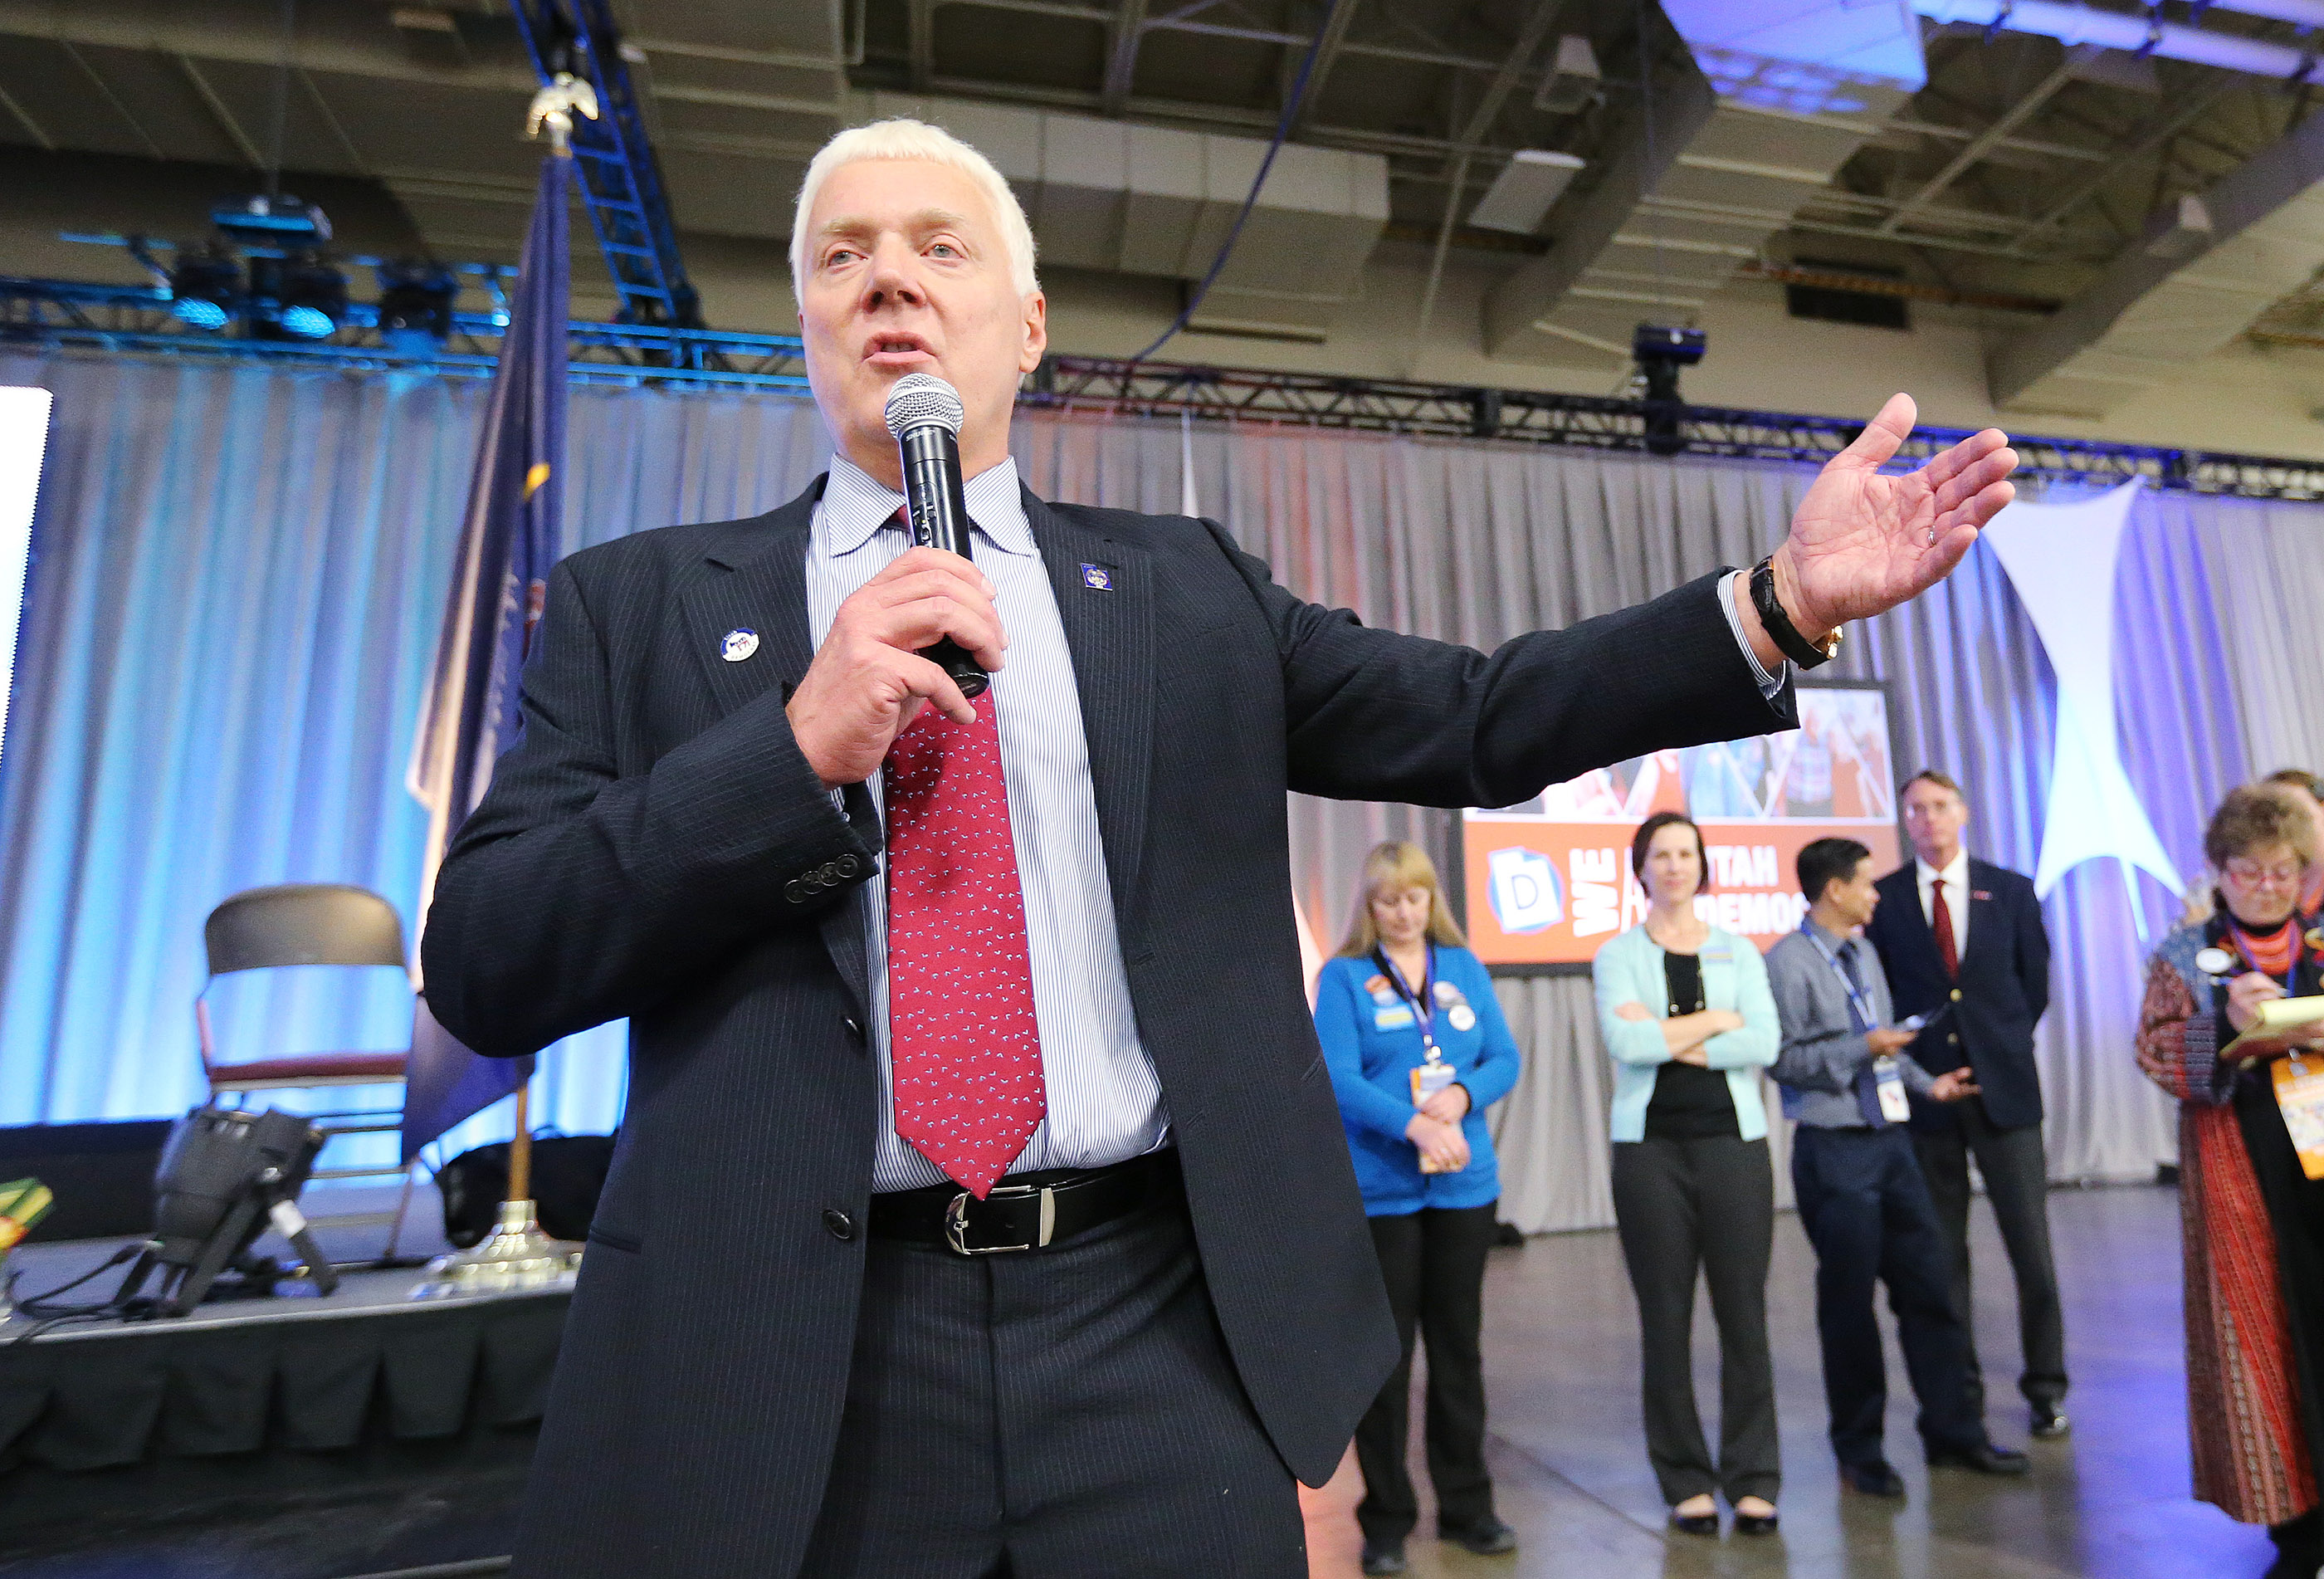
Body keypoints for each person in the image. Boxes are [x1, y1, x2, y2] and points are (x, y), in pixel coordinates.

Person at [420, 110, 2021, 1578]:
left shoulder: (1185, 590)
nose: (888, 277)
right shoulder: (642, 605)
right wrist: (788, 751)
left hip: (1151, 1335)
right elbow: (489, 960)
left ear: (1026, 326)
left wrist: (1777, 605)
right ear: (807, 328)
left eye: (938, 245)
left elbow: (1478, 716)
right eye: (844, 255)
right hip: (798, 1357)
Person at [1765, 838, 2030, 1498]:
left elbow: (1887, 1042)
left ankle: (1955, 1432)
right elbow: (1784, 1060)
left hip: (1892, 1141)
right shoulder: (1788, 962)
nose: (1875, 895)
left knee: (1931, 1289)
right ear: (1834, 890)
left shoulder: (1864, 954)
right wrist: (1862, 1047)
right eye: (1865, 883)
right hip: (1835, 1149)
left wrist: (1926, 1083)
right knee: (1850, 1308)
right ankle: (1861, 1451)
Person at [1315, 842, 1522, 1576]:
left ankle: (1468, 1507)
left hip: (1464, 1189)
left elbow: (1504, 1058)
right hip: (1385, 1194)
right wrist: (1414, 1126)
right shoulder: (1344, 978)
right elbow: (1337, 1078)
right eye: (1389, 900)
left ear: (1432, 900)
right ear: (1369, 907)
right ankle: (1386, 1520)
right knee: (1388, 1359)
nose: (1403, 912)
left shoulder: (1461, 967)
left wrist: (1461, 1097)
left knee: (1458, 1349)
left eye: (1415, 897)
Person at [2136, 784, 2324, 1579]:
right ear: (2219, 872)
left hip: (2319, 1155)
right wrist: (2225, 1026)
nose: (2268, 887)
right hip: (2241, 1167)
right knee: (2264, 1340)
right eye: (2250, 872)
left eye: (2283, 872)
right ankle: (2300, 1531)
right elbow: (2153, 1051)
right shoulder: (2186, 954)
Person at [1591, 812, 1782, 1536]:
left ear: (1703, 865)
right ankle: (1686, 1480)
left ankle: (1754, 1477)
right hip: (1651, 1154)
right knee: (1665, 1320)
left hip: (1734, 1146)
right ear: (1641, 867)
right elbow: (1626, 1040)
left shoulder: (1740, 949)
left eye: (1686, 853)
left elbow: (1764, 1040)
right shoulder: (1617, 954)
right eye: (1661, 855)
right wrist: (1717, 1021)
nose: (1675, 865)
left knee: (1744, 1316)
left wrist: (1670, 1033)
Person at [1864, 770, 2064, 1438]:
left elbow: (2034, 987)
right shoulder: (1886, 898)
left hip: (2005, 1091)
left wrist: (1996, 1047)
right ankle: (1960, 1395)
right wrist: (1927, 1070)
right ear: (1905, 821)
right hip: (1928, 1096)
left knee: (2031, 1252)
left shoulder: (2010, 889)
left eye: (1939, 806)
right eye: (1915, 810)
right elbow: (1886, 995)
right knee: (1942, 1256)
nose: (1928, 819)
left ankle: (2047, 1389)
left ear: (1963, 812)